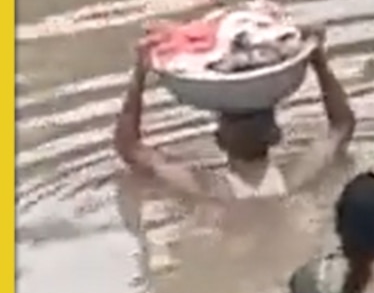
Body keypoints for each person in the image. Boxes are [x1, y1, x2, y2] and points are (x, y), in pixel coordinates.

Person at [113, 25, 356, 200]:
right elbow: (341, 126)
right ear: (276, 135)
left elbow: (130, 148)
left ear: (218, 141)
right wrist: (318, 60)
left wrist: (140, 72)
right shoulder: (295, 179)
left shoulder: (210, 191)